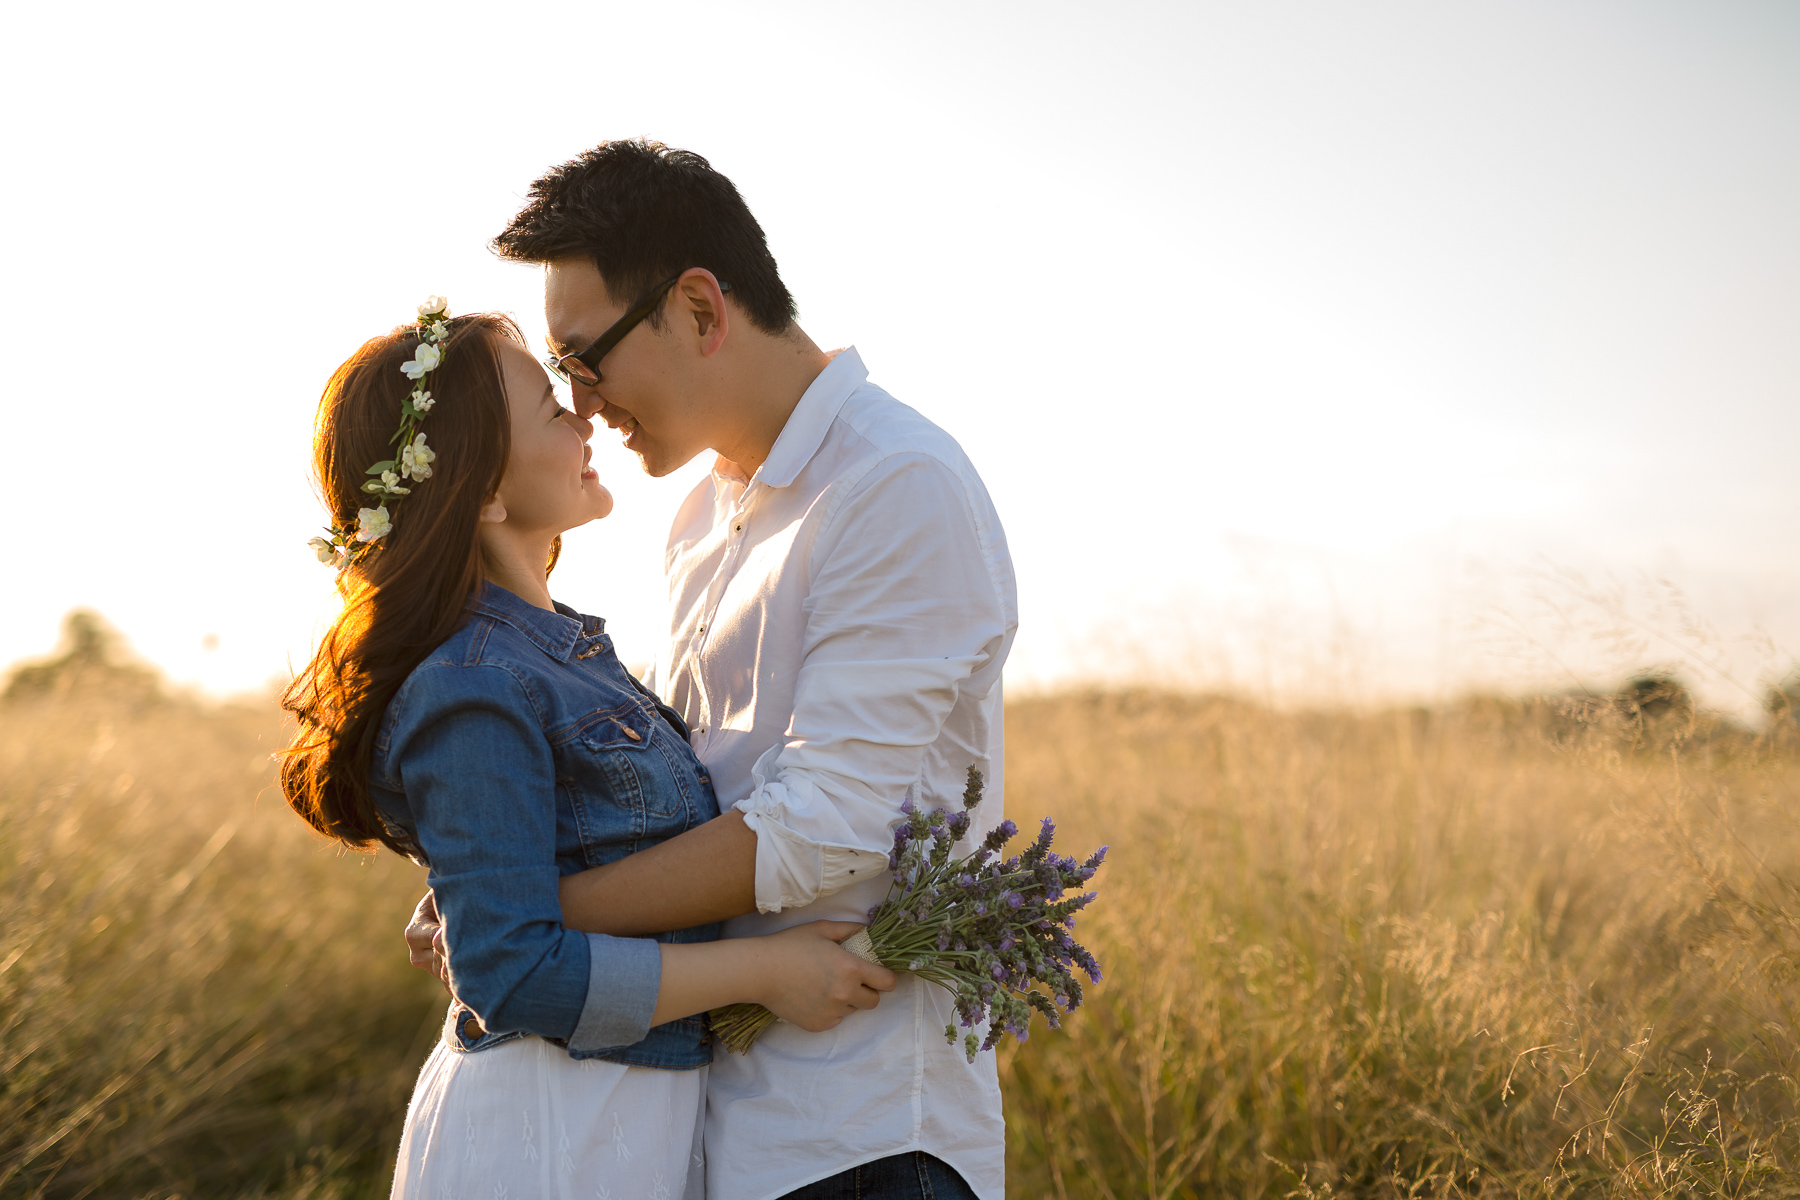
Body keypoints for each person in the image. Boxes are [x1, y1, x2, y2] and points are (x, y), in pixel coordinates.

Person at [408, 140, 1019, 1200]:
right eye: (562, 378)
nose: (583, 403)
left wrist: (529, 908)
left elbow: (822, 826)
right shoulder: (698, 517)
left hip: (864, 1135)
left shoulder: (895, 486)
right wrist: (488, 874)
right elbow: (676, 796)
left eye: (587, 359)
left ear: (699, 309)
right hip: (707, 1130)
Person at [280, 307, 895, 1200]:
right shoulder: (475, 680)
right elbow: (513, 968)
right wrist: (768, 969)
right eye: (547, 407)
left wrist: (475, 894)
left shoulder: (559, 654)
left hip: (617, 1120)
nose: (582, 415)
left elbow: (528, 876)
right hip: (548, 1132)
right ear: (483, 491)